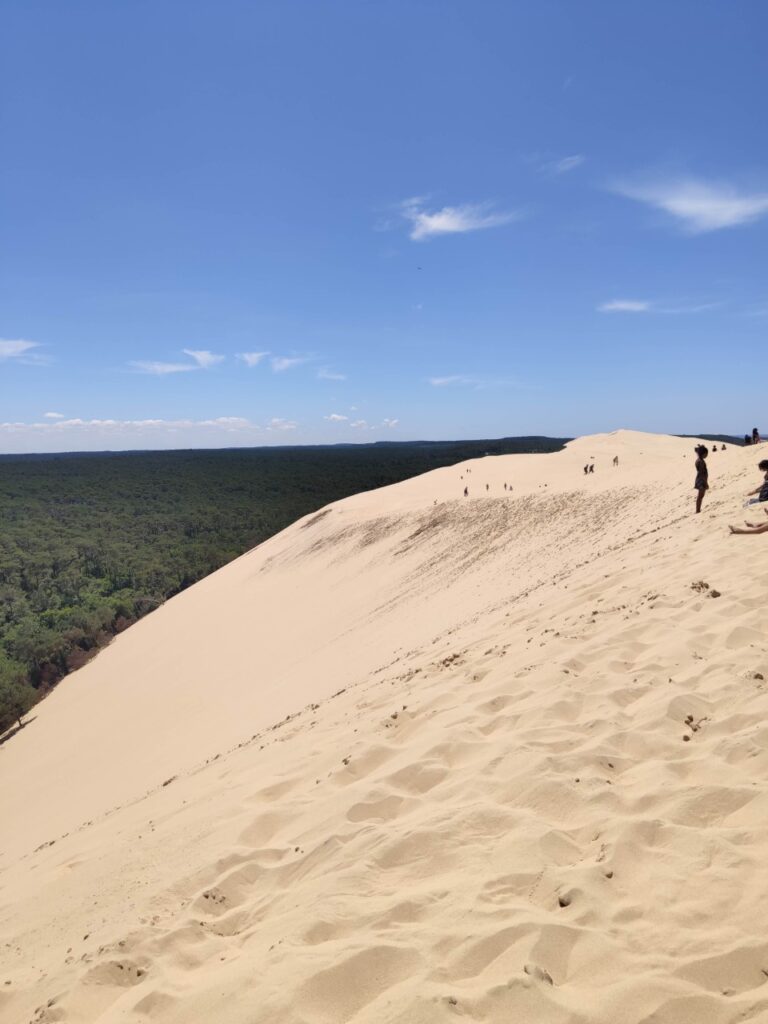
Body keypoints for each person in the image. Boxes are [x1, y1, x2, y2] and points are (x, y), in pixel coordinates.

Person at [693, 445, 708, 513]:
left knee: (701, 495)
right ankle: (697, 510)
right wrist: (705, 482)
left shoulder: (699, 460)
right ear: (703, 454)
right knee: (700, 496)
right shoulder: (700, 461)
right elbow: (701, 472)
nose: (707, 455)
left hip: (702, 480)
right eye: (706, 454)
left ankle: (698, 509)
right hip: (701, 480)